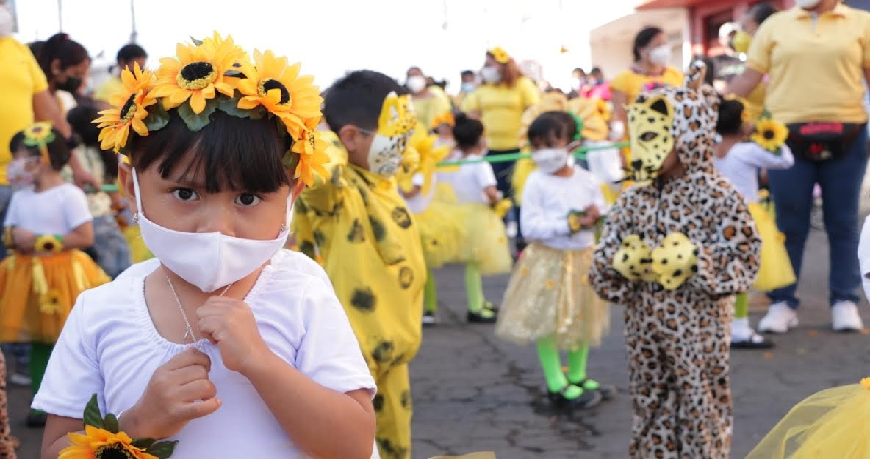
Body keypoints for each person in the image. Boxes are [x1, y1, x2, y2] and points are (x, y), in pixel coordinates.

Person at [34, 35, 377, 458]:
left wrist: (262, 363)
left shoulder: (301, 288)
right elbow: (55, 448)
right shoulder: (100, 312)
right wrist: (139, 424)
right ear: (130, 187)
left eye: (247, 199)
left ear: (293, 195)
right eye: (185, 194)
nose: (217, 228)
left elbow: (354, 444)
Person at [589, 63, 761, 458]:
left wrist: (696, 261)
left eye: (654, 138)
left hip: (699, 331)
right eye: (639, 139)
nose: (644, 150)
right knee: (649, 404)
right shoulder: (634, 197)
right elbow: (601, 269)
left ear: (687, 135)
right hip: (643, 329)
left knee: (701, 406)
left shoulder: (718, 195)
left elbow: (746, 260)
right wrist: (618, 263)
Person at [292, 70, 425, 459]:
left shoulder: (381, 177)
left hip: (394, 355)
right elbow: (319, 171)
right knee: (354, 449)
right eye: (394, 137)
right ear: (349, 137)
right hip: (350, 361)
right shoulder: (337, 192)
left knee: (395, 446)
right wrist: (322, 128)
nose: (403, 147)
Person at [729, 0, 870, 333]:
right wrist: (712, 109)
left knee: (843, 221)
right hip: (786, 138)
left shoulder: (862, 22)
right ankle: (782, 302)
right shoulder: (775, 26)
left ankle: (845, 299)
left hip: (848, 136)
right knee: (789, 223)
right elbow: (749, 78)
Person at [496, 111, 612, 410]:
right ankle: (554, 381)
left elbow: (601, 209)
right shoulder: (535, 181)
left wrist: (596, 216)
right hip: (548, 262)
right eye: (536, 146)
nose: (543, 152)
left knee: (582, 318)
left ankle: (577, 374)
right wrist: (571, 224)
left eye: (551, 143)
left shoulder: (587, 180)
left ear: (572, 144)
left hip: (583, 259)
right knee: (547, 321)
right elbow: (531, 228)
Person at [0, 122, 110, 428]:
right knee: (37, 341)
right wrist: (14, 238)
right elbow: (9, 233)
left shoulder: (69, 194)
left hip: (63, 275)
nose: (15, 165)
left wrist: (39, 241)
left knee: (68, 341)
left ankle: (75, 404)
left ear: (43, 158)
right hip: (28, 275)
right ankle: (40, 403)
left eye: (20, 156)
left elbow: (85, 236)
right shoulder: (21, 197)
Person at [713, 98, 794, 349]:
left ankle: (720, 328)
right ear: (742, 124)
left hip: (714, 214)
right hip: (746, 216)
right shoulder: (747, 150)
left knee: (720, 274)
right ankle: (739, 327)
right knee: (743, 275)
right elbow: (786, 160)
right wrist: (768, 135)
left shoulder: (708, 149)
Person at [461, 47, 540, 251]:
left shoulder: (522, 85)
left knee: (519, 195)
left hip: (517, 150)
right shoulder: (482, 89)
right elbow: (472, 114)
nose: (486, 69)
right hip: (490, 152)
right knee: (496, 196)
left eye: (490, 64)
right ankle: (500, 239)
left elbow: (534, 112)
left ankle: (523, 240)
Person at [439, 113, 512, 323]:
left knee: (473, 263)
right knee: (475, 264)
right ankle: (475, 307)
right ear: (480, 139)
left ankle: (479, 301)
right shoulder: (479, 164)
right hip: (478, 216)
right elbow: (490, 192)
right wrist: (497, 202)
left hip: (458, 213)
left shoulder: (453, 160)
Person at [66, 104, 132, 277]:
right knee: (116, 269)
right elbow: (112, 190)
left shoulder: (71, 158)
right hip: (101, 217)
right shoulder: (103, 153)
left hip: (76, 222)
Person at [609, 26, 683, 145]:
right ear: (642, 50)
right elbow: (619, 119)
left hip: (673, 147)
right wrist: (621, 152)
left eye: (665, 44)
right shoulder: (623, 80)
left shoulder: (676, 74)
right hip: (641, 149)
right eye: (658, 45)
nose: (664, 49)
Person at [732, 2, 778, 122]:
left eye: (744, 28)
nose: (741, 35)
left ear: (763, 28)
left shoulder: (777, 62)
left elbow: (745, 83)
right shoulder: (752, 60)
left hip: (771, 129)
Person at [35, 33, 91, 114]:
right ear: (56, 66)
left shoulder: (63, 99)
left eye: (84, 75)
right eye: (77, 74)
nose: (82, 81)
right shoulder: (35, 102)